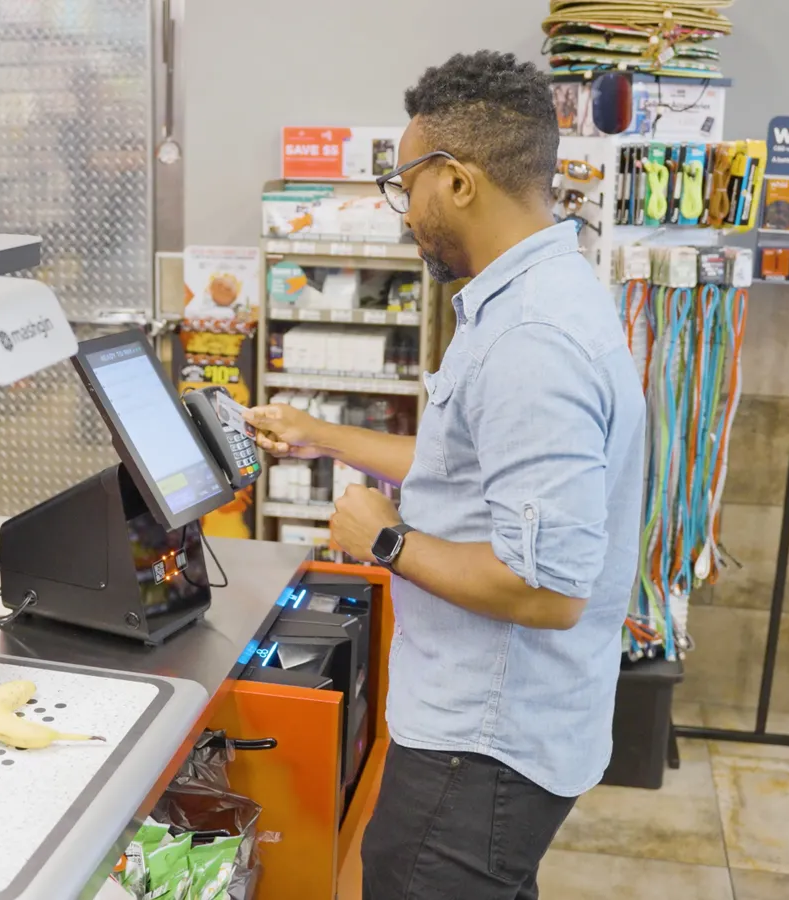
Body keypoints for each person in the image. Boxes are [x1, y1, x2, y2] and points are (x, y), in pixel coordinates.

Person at [246, 51, 645, 900]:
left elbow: (547, 591)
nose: (402, 212)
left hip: (485, 746)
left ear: (457, 182)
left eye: (405, 185)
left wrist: (383, 538)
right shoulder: (535, 295)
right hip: (503, 729)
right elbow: (467, 472)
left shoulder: (530, 340)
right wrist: (323, 434)